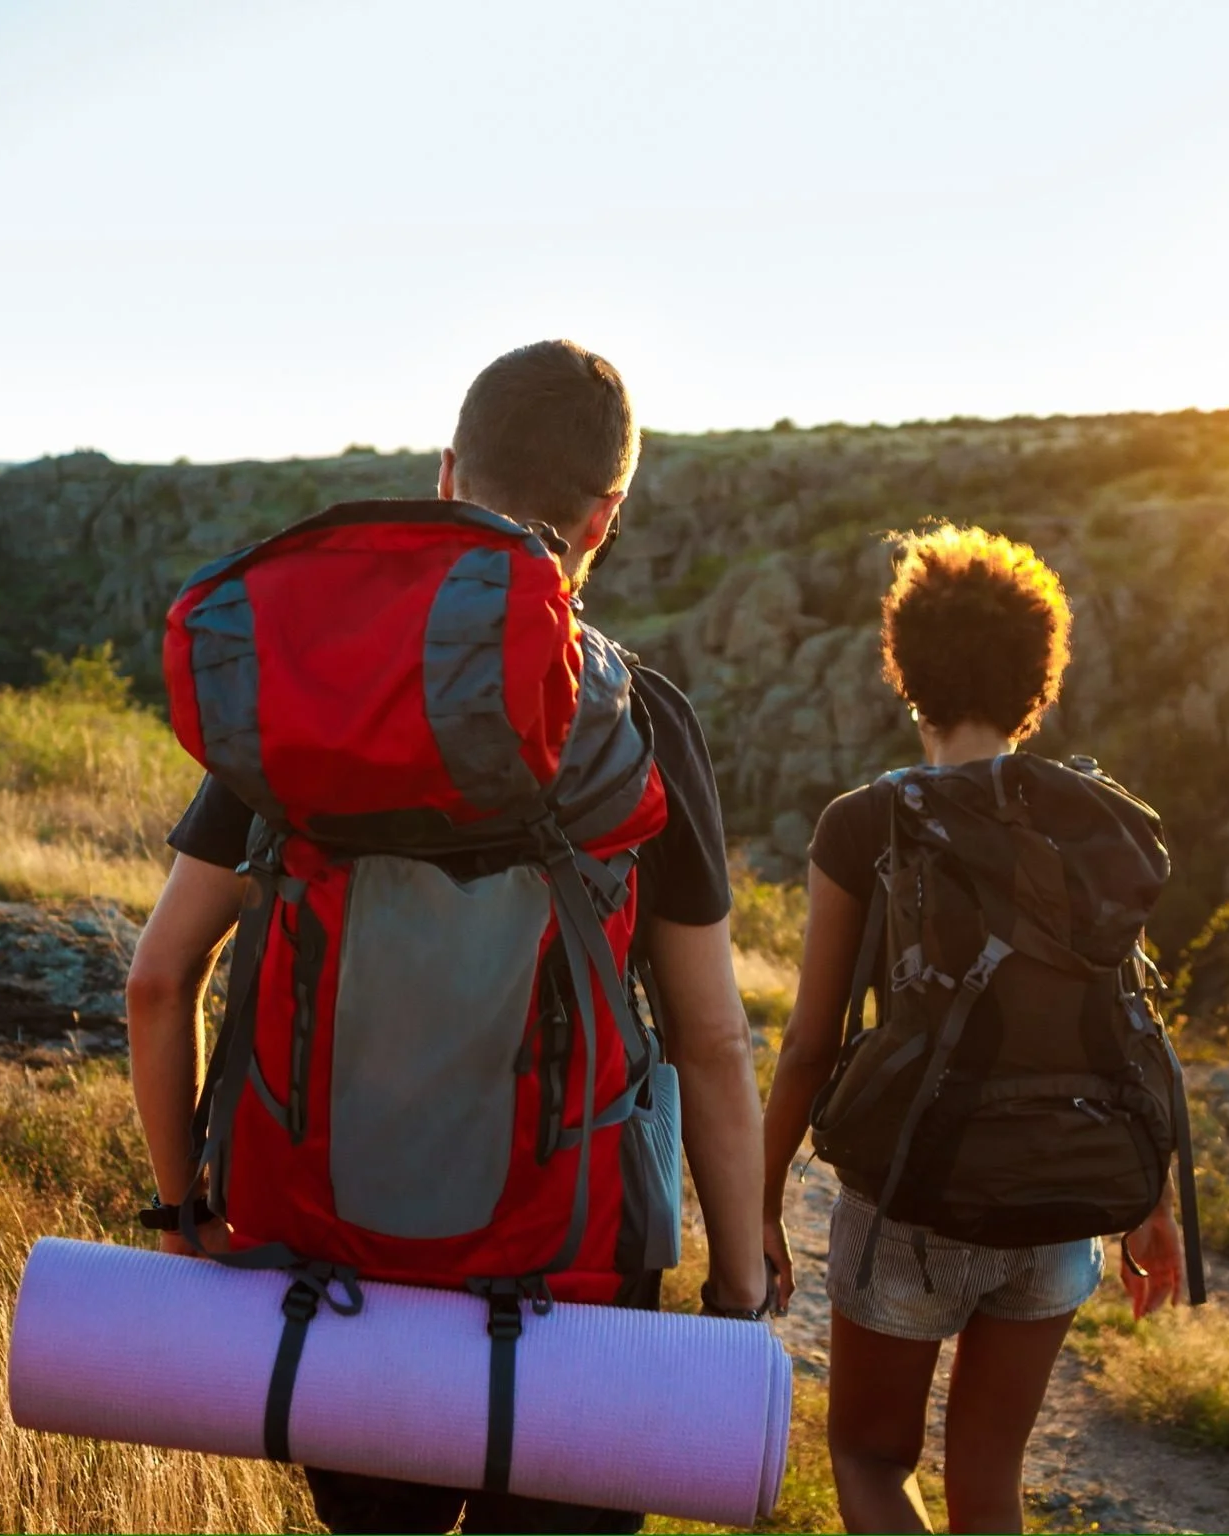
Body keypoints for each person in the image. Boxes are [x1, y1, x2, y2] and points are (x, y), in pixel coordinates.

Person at [126, 340, 771, 1535]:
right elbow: (713, 1037)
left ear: (443, 476)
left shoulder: (306, 698)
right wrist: (737, 1285)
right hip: (576, 1274)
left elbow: (162, 979)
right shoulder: (642, 721)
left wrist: (184, 1210)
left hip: (336, 1261)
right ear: (606, 514)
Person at [759, 526, 1186, 1535]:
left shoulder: (864, 825)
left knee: (869, 1459)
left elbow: (810, 1047)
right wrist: (1151, 1201)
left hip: (913, 1200)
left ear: (905, 668)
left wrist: (760, 1204)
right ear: (1040, 675)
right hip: (1060, 1207)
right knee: (989, 1480)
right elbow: (1121, 1019)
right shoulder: (1096, 822)